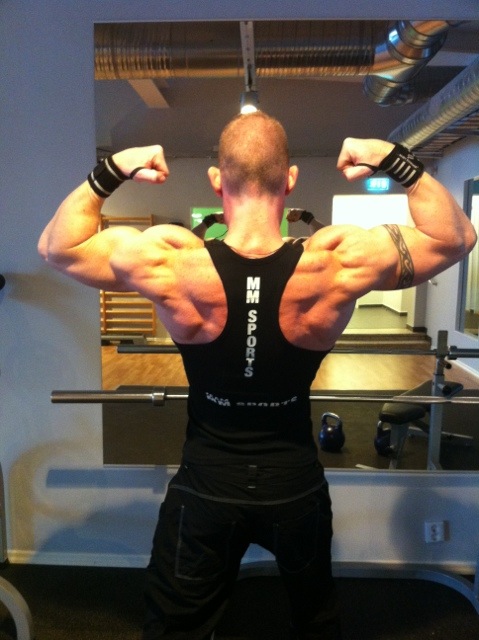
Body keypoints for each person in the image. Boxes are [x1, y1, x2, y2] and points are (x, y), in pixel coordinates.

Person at [38, 111, 476, 640]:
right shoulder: (336, 260)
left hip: (206, 484)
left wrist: (113, 169)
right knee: (315, 620)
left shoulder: (171, 260)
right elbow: (456, 238)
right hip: (294, 486)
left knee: (176, 626)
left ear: (216, 180)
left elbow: (57, 247)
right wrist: (391, 159)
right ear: (290, 180)